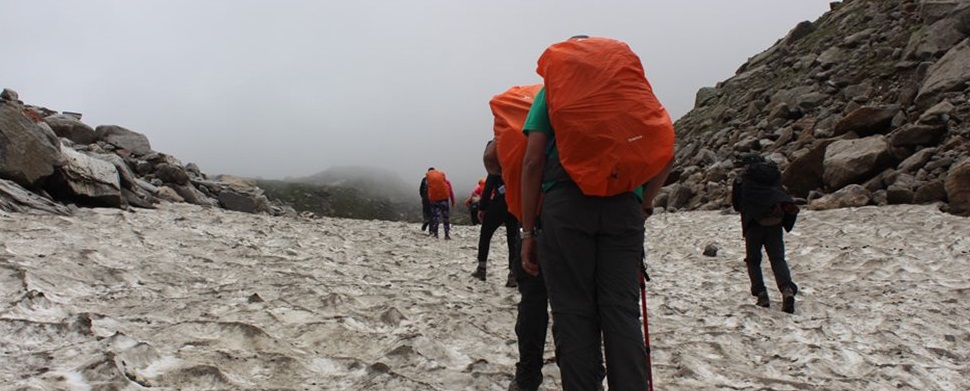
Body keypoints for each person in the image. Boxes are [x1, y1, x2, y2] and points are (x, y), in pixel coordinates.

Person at [519, 36, 675, 390]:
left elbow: (531, 162)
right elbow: (667, 152)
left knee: (573, 311)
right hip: (623, 209)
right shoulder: (628, 92)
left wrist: (528, 231)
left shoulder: (552, 91)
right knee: (620, 310)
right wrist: (644, 202)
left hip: (566, 209)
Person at [731, 153, 799, 313]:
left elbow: (736, 204)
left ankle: (762, 294)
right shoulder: (773, 176)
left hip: (753, 223)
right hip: (775, 222)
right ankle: (787, 289)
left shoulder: (742, 179)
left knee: (753, 261)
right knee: (777, 258)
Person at [471, 142, 519, 288]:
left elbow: (487, 189)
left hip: (498, 204)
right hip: (514, 204)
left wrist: (482, 208)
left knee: (485, 234)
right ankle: (512, 275)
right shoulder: (516, 161)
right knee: (513, 240)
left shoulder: (496, 164)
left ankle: (482, 269)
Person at [425, 167, 455, 239]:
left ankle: (435, 234)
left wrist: (429, 201)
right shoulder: (446, 182)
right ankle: (447, 235)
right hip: (444, 200)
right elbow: (450, 191)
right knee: (445, 218)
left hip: (434, 200)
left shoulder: (428, 181)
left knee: (436, 217)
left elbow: (427, 191)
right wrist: (453, 201)